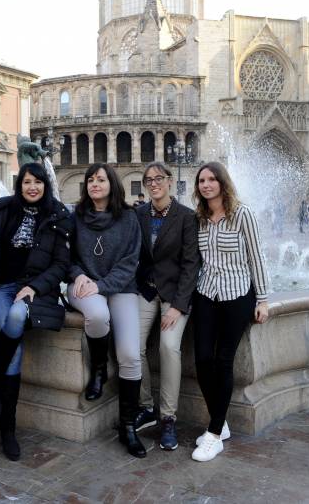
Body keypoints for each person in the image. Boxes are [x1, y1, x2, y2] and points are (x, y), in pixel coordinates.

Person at [0, 162, 72, 461]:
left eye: (37, 182)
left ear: (46, 185)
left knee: (14, 319)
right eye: (26, 182)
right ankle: (6, 429)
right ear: (19, 185)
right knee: (14, 349)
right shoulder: (3, 211)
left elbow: (61, 265)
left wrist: (34, 287)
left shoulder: (58, 217)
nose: (32, 187)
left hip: (36, 290)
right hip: (3, 288)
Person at [191, 162, 270, 462]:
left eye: (212, 179)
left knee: (224, 361)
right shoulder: (199, 217)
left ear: (223, 183)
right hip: (206, 293)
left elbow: (257, 256)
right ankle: (219, 422)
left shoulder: (242, 214)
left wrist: (262, 299)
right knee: (202, 359)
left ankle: (213, 435)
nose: (206, 184)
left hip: (237, 294)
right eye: (202, 180)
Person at [67, 163, 146, 458]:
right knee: (98, 316)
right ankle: (99, 369)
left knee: (129, 354)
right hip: (83, 286)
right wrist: (80, 276)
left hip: (120, 287)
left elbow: (130, 262)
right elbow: (68, 257)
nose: (95, 183)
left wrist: (103, 285)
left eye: (101, 179)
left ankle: (128, 427)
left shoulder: (128, 218)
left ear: (112, 184)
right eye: (91, 179)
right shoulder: (76, 217)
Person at [134, 162, 200, 451]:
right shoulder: (137, 215)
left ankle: (168, 418)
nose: (153, 183)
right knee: (131, 346)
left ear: (170, 181)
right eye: (148, 180)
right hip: (146, 292)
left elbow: (191, 265)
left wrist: (178, 305)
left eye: (158, 178)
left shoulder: (186, 217)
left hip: (174, 296)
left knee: (168, 347)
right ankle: (146, 406)